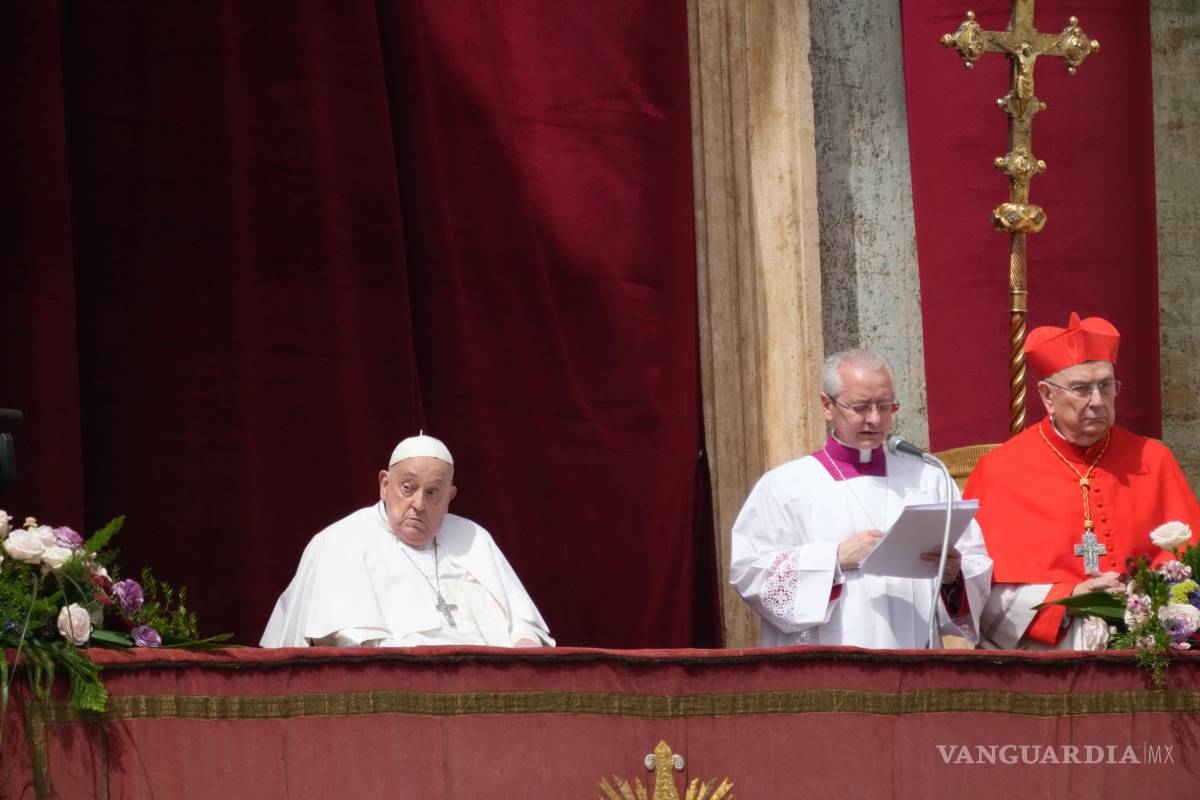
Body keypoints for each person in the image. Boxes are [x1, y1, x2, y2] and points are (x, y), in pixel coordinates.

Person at [966, 312, 1200, 649]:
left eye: (1106, 386)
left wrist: (1144, 598)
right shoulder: (1000, 469)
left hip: (1149, 644)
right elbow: (984, 589)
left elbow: (1187, 562)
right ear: (1047, 396)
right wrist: (1070, 594)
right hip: (1049, 648)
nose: (1097, 401)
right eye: (1081, 389)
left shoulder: (1154, 459)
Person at [730, 349, 993, 648]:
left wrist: (953, 576)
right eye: (860, 407)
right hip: (828, 663)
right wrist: (835, 558)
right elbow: (750, 574)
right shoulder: (785, 485)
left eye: (885, 406)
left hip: (913, 650)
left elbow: (975, 563)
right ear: (827, 405)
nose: (874, 418)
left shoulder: (930, 479)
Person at [261, 434, 554, 648]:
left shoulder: (475, 539)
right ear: (385, 485)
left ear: (450, 496)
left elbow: (524, 625)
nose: (419, 504)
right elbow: (345, 640)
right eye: (407, 488)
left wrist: (523, 645)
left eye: (432, 493)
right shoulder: (341, 541)